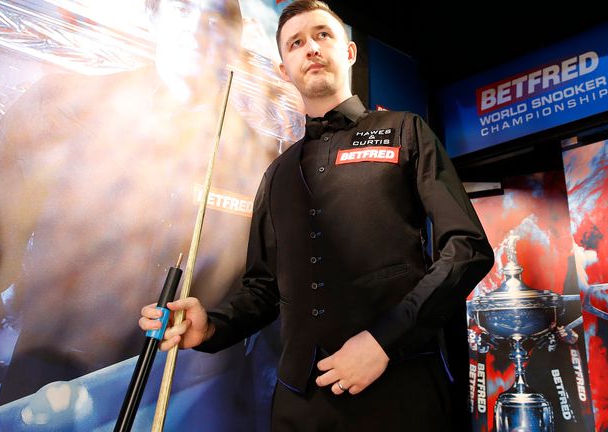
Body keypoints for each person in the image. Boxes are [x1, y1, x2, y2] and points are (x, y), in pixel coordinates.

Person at [139, 0, 494, 430]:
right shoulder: (276, 173)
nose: (310, 48)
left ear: (348, 52)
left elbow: (467, 249)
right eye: (296, 42)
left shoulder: (406, 130)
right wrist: (210, 327)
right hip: (300, 403)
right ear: (285, 68)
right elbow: (263, 289)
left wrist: (384, 342)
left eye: (323, 35)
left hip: (401, 386)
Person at [0, 0, 283, 418]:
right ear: (153, 14)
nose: (196, 29)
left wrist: (216, 327)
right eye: (181, 8)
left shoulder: (261, 160)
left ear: (236, 39)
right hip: (47, 400)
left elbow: (263, 291)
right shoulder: (63, 104)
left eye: (215, 17)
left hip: (178, 404)